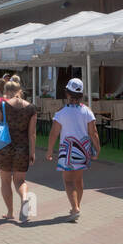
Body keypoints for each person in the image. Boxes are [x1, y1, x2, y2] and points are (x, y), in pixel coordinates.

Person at [47, 79, 100, 223]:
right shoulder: (87, 111)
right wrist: (98, 148)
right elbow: (93, 132)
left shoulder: (61, 113)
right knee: (78, 179)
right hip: (83, 149)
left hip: (67, 151)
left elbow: (54, 133)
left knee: (68, 181)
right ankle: (77, 206)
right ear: (81, 95)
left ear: (67, 93)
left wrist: (50, 150)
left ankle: (75, 208)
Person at [0, 79, 38, 222]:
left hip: (4, 148)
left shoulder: (2, 106)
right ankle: (24, 198)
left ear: (5, 92)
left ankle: (10, 212)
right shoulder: (31, 108)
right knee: (20, 180)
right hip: (22, 149)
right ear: (19, 90)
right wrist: (32, 152)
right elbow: (32, 134)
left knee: (5, 182)